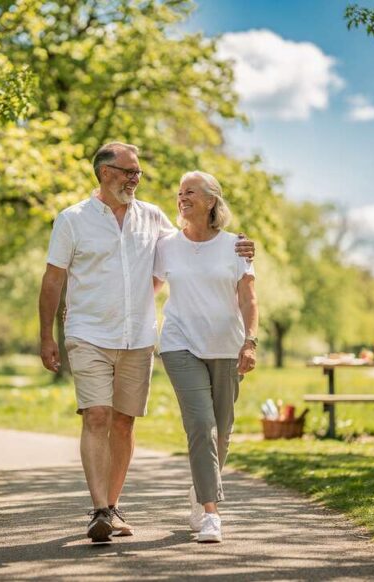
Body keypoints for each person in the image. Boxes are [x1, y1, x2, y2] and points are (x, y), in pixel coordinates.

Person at [38, 143, 254, 543]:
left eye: (138, 173)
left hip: (138, 335)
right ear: (106, 173)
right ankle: (100, 509)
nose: (136, 179)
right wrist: (46, 335)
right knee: (97, 415)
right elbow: (53, 279)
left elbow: (195, 246)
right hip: (88, 332)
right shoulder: (72, 220)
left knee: (123, 421)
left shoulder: (152, 217)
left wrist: (238, 247)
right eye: (129, 172)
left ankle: (114, 508)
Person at [154, 171, 259, 543]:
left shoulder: (236, 246)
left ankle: (200, 493)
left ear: (211, 200)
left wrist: (250, 342)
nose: (183, 198)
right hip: (179, 343)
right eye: (180, 192)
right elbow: (146, 289)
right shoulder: (166, 245)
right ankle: (213, 514)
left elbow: (248, 299)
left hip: (227, 347)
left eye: (191, 192)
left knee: (223, 430)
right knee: (201, 425)